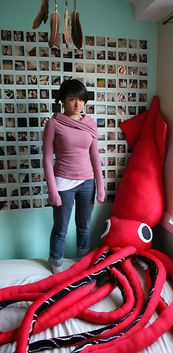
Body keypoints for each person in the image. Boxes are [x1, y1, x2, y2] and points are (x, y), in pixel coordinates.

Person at [43, 79, 105, 274]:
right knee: (61, 228)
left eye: (81, 99)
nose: (77, 104)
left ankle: (83, 261)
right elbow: (46, 159)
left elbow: (95, 157)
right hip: (63, 183)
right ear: (63, 100)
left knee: (84, 227)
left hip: (87, 183)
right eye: (72, 99)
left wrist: (101, 186)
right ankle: (56, 263)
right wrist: (52, 191)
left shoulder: (90, 124)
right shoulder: (54, 123)